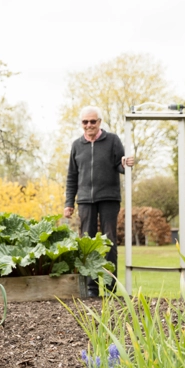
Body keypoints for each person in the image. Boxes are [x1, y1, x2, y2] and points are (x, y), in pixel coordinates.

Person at [63, 106, 134, 297]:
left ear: (99, 122)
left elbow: (119, 165)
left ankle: (110, 287)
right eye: (85, 122)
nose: (89, 125)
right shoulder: (77, 145)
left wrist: (125, 163)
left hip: (109, 198)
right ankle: (91, 289)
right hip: (85, 201)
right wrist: (69, 202)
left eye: (92, 121)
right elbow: (72, 176)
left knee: (109, 242)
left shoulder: (112, 140)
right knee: (88, 244)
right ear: (81, 124)